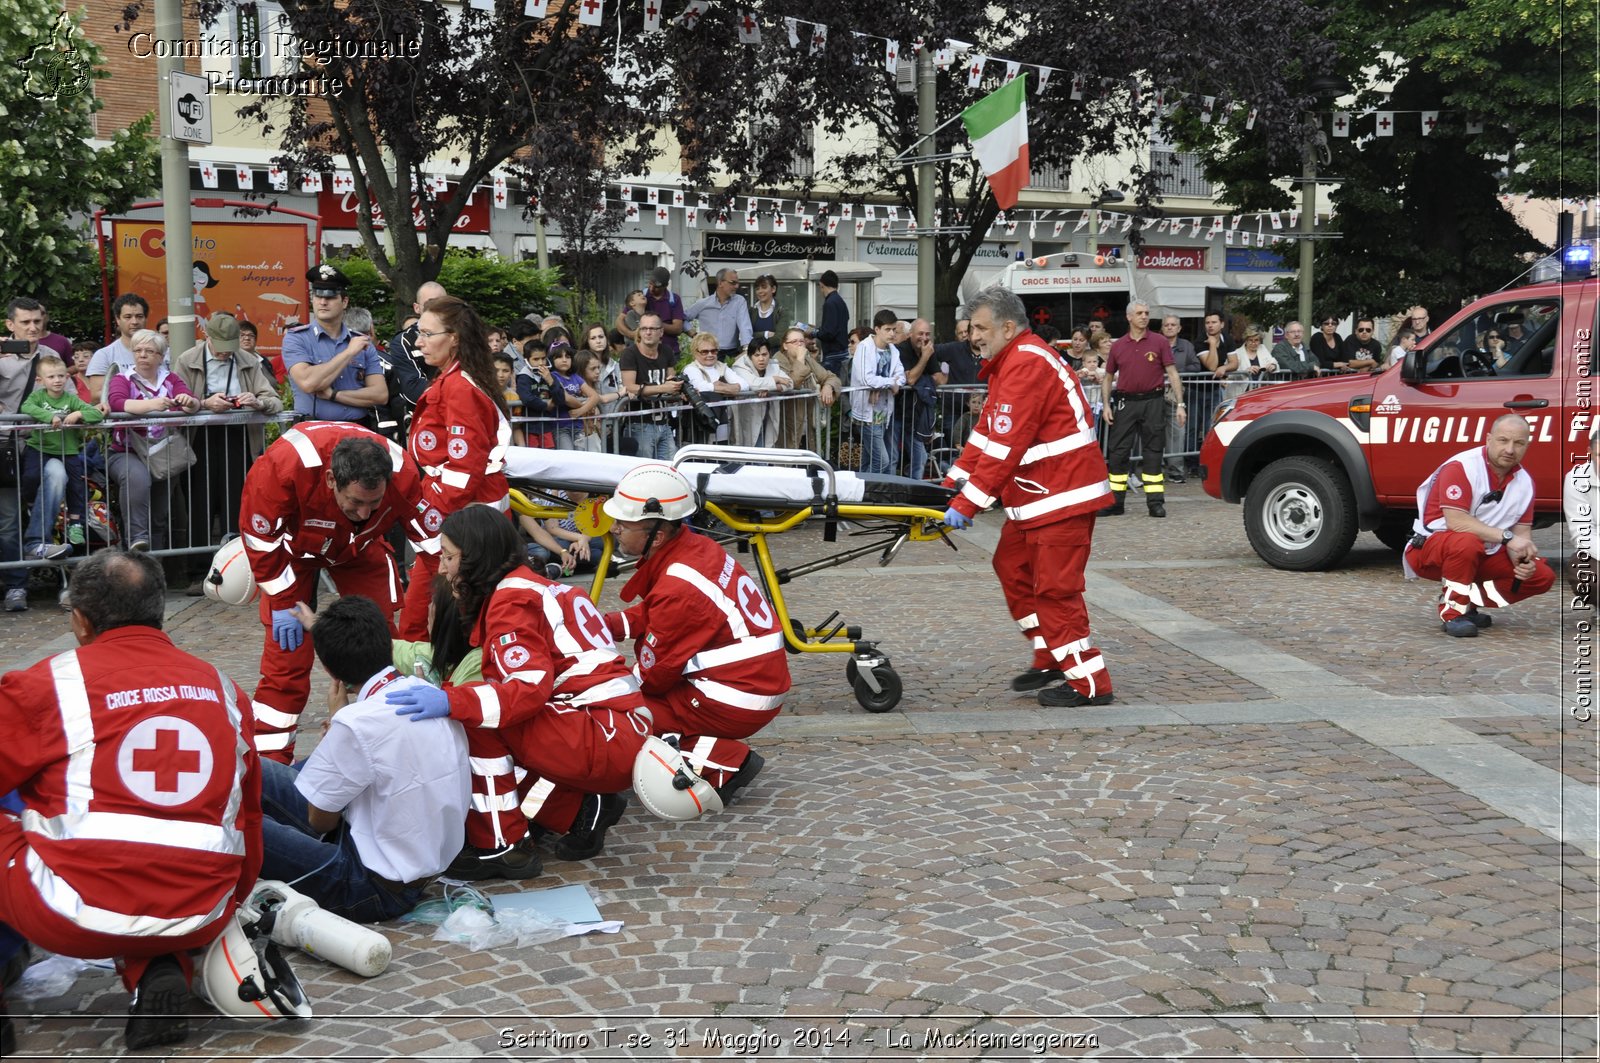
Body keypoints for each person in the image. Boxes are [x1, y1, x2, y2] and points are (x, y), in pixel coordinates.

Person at [0, 550, 262, 1051]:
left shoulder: (48, 685)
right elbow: (250, 819)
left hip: (73, 916)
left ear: (79, 621)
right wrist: (224, 906)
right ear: (159, 610)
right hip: (201, 908)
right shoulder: (226, 691)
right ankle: (155, 965)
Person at [385, 506, 654, 877]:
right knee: (484, 708)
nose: (443, 569)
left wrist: (452, 700)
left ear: (476, 556)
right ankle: (577, 810)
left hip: (602, 732)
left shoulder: (511, 601)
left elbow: (524, 692)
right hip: (616, 728)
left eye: (448, 556)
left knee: (477, 718)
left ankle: (500, 845)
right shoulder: (538, 588)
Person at [939, 286, 1114, 708]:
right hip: (1042, 495)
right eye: (971, 328)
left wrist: (966, 503)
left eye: (980, 328)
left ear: (1008, 327)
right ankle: (1051, 652)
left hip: (1060, 495)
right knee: (1012, 565)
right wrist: (950, 484)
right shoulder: (1013, 362)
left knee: (1056, 590)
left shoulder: (1024, 364)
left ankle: (1089, 681)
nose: (972, 336)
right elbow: (987, 436)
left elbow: (1006, 446)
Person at [259, 596, 470, 920]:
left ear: (330, 671)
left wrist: (337, 723)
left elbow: (320, 820)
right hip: (415, 862)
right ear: (388, 644)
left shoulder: (355, 721)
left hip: (369, 885)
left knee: (241, 824)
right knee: (252, 770)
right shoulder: (425, 690)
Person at [239, 423, 432, 762]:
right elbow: (260, 540)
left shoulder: (403, 474)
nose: (363, 512)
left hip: (362, 548)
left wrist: (430, 623)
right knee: (286, 662)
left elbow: (435, 550)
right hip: (292, 556)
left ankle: (393, 749)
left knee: (380, 648)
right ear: (331, 480)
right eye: (355, 501)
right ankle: (269, 769)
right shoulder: (282, 467)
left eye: (374, 503)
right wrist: (283, 601)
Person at [600, 464, 782, 799]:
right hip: (753, 682)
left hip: (736, 697)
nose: (613, 529)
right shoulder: (694, 547)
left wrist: (604, 684)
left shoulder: (678, 586)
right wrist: (608, 626)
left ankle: (721, 761)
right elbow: (662, 610)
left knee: (620, 707)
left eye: (623, 525)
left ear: (656, 536)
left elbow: (657, 673)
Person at [397, 295, 512, 642]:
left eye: (427, 334)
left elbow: (464, 469)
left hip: (462, 521)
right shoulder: (453, 380)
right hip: (458, 518)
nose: (418, 342)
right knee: (428, 618)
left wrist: (426, 510)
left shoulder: (459, 388)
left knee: (430, 623)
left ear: (455, 337)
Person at [1403, 414, 1555, 635]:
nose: (1510, 449)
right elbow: (1457, 522)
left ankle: (1468, 601)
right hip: (1430, 550)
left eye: (1519, 443)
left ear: (1527, 446)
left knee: (1541, 576)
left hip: (1483, 552)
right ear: (1488, 439)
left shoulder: (1526, 483)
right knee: (1467, 541)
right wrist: (1508, 538)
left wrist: (1523, 561)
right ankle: (1452, 613)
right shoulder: (1461, 466)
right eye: (1503, 440)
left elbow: (1521, 535)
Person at [173, 311, 283, 565]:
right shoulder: (187, 360)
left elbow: (274, 399)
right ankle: (197, 569)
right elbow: (175, 402)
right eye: (220, 347)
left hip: (238, 435)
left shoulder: (247, 359)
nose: (225, 353)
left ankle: (236, 566)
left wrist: (257, 401)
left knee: (237, 501)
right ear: (206, 337)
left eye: (229, 348)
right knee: (199, 503)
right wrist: (203, 403)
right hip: (199, 437)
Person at [105, 329, 200, 553]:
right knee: (138, 479)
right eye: (138, 350)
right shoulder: (122, 378)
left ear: (161, 356)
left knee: (159, 515)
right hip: (126, 451)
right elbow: (117, 403)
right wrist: (152, 406)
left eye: (149, 351)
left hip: (162, 451)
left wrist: (189, 402)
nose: (142, 355)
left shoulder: (171, 379)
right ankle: (137, 542)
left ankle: (154, 572)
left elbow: (192, 403)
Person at [1103, 301, 1184, 518]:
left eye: (1147, 313)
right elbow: (1108, 377)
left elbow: (1173, 373)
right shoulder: (1118, 345)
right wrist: (1105, 406)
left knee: (1153, 452)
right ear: (1129, 317)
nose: (1144, 316)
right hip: (1125, 403)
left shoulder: (1159, 342)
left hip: (1153, 402)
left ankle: (1155, 503)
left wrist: (1180, 404)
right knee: (1118, 452)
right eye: (1140, 313)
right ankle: (1115, 502)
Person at [282, 264, 388, 425]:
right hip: (313, 429)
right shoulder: (296, 338)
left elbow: (380, 395)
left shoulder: (361, 342)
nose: (323, 302)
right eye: (318, 296)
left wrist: (334, 395)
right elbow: (308, 382)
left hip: (357, 428)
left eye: (330, 297)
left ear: (344, 301)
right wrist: (348, 353)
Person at [20, 354, 101, 558]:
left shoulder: (71, 399)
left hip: (68, 451)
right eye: (51, 377)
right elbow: (26, 408)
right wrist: (49, 416)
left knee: (76, 486)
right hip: (39, 447)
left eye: (61, 376)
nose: (57, 380)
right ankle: (31, 505)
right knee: (29, 477)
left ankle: (75, 523)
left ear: (67, 377)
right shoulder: (38, 397)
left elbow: (97, 414)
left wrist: (80, 414)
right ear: (40, 380)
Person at [0, 299, 50, 610]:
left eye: (37, 321)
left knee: (17, 518)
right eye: (25, 322)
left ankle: (19, 582)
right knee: (7, 519)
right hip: (4, 448)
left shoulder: (52, 357)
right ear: (10, 325)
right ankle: (14, 584)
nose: (32, 328)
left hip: (38, 448)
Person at [379, 281, 448, 442]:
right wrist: (456, 390)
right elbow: (413, 390)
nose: (436, 309)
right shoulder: (405, 341)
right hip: (427, 425)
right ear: (417, 308)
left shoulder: (461, 336)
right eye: (430, 304)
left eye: (442, 303)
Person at [619, 312, 684, 460]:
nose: (648, 332)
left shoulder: (666, 350)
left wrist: (679, 389)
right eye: (644, 328)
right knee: (645, 471)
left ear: (661, 332)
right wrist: (662, 388)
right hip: (639, 423)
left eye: (653, 329)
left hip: (664, 422)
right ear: (639, 331)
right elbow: (630, 386)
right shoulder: (629, 354)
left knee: (670, 469)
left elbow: (670, 381)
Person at [849, 310, 905, 475]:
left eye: (894, 330)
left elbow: (901, 376)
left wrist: (883, 385)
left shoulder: (893, 350)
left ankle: (858, 488)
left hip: (883, 413)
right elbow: (866, 379)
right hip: (866, 413)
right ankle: (867, 490)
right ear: (877, 329)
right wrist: (888, 383)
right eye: (888, 329)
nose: (892, 333)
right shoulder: (865, 348)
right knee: (882, 460)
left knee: (869, 459)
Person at [772, 327, 840, 452]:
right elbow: (792, 383)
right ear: (785, 346)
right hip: (786, 422)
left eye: (801, 341)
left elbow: (830, 377)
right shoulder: (776, 362)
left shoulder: (808, 361)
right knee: (787, 461)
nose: (799, 344)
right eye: (795, 341)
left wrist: (828, 387)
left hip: (807, 422)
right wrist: (800, 359)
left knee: (808, 461)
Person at [86, 293, 153, 404]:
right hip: (122, 418)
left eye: (139, 316)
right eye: (128, 317)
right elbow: (97, 395)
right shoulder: (104, 355)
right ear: (117, 319)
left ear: (146, 318)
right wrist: (143, 400)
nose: (134, 322)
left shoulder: (164, 352)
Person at [892, 318, 938, 479]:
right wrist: (924, 359)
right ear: (910, 334)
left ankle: (913, 491)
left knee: (920, 458)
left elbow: (939, 378)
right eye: (920, 334)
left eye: (927, 334)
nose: (924, 338)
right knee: (892, 458)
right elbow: (910, 380)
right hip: (896, 413)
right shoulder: (901, 350)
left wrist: (920, 373)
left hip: (915, 415)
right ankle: (889, 494)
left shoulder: (927, 349)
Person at [680, 333, 744, 445]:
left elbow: (743, 385)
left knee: (722, 450)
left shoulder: (721, 366)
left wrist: (721, 386)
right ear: (695, 353)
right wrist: (728, 388)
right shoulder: (691, 369)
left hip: (723, 420)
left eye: (713, 351)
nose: (710, 354)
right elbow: (699, 386)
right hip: (700, 423)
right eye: (704, 352)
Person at [730, 338, 794, 448]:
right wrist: (775, 379)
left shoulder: (773, 364)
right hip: (747, 418)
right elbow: (753, 384)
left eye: (764, 354)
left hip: (767, 417)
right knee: (746, 453)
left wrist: (769, 388)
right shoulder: (739, 366)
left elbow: (790, 383)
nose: (761, 359)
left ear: (769, 354)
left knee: (764, 454)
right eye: (757, 355)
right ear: (750, 356)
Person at [1160, 316, 1200, 483]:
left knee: (1177, 432)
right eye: (1166, 325)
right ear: (1162, 328)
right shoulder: (1155, 343)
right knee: (1153, 432)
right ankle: (1154, 469)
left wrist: (1174, 372)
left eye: (1173, 325)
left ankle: (1176, 470)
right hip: (1156, 392)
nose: (1170, 327)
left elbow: (1196, 366)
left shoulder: (1186, 346)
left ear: (1179, 328)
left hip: (1176, 394)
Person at [684, 268, 752, 362]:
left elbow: (745, 325)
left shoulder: (739, 301)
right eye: (733, 282)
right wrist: (694, 334)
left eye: (737, 283)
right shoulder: (703, 304)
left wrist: (747, 348)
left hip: (731, 352)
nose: (736, 286)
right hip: (707, 352)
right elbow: (683, 318)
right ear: (720, 283)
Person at [814, 269, 852, 378]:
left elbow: (829, 333)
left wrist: (814, 333)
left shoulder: (829, 303)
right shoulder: (840, 301)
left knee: (831, 388)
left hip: (833, 355)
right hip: (843, 353)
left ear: (822, 285)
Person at [643, 266, 686, 361]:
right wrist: (631, 334)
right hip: (645, 352)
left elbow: (678, 328)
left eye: (656, 287)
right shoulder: (642, 297)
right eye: (650, 284)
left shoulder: (674, 299)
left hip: (670, 352)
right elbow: (620, 321)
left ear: (665, 286)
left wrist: (654, 325)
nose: (652, 289)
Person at [1223, 327, 1278, 399]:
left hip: (1260, 392)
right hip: (1240, 393)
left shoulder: (1262, 348)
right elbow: (1228, 374)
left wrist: (1273, 366)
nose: (1253, 343)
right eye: (1250, 340)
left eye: (1256, 340)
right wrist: (1246, 371)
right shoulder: (1237, 353)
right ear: (1245, 340)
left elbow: (1273, 361)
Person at [747, 274, 786, 347]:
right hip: (755, 356)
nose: (760, 291)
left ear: (773, 289)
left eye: (764, 287)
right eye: (757, 288)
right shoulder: (751, 311)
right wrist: (766, 334)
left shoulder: (782, 311)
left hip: (775, 356)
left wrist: (755, 338)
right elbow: (745, 335)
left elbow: (779, 339)